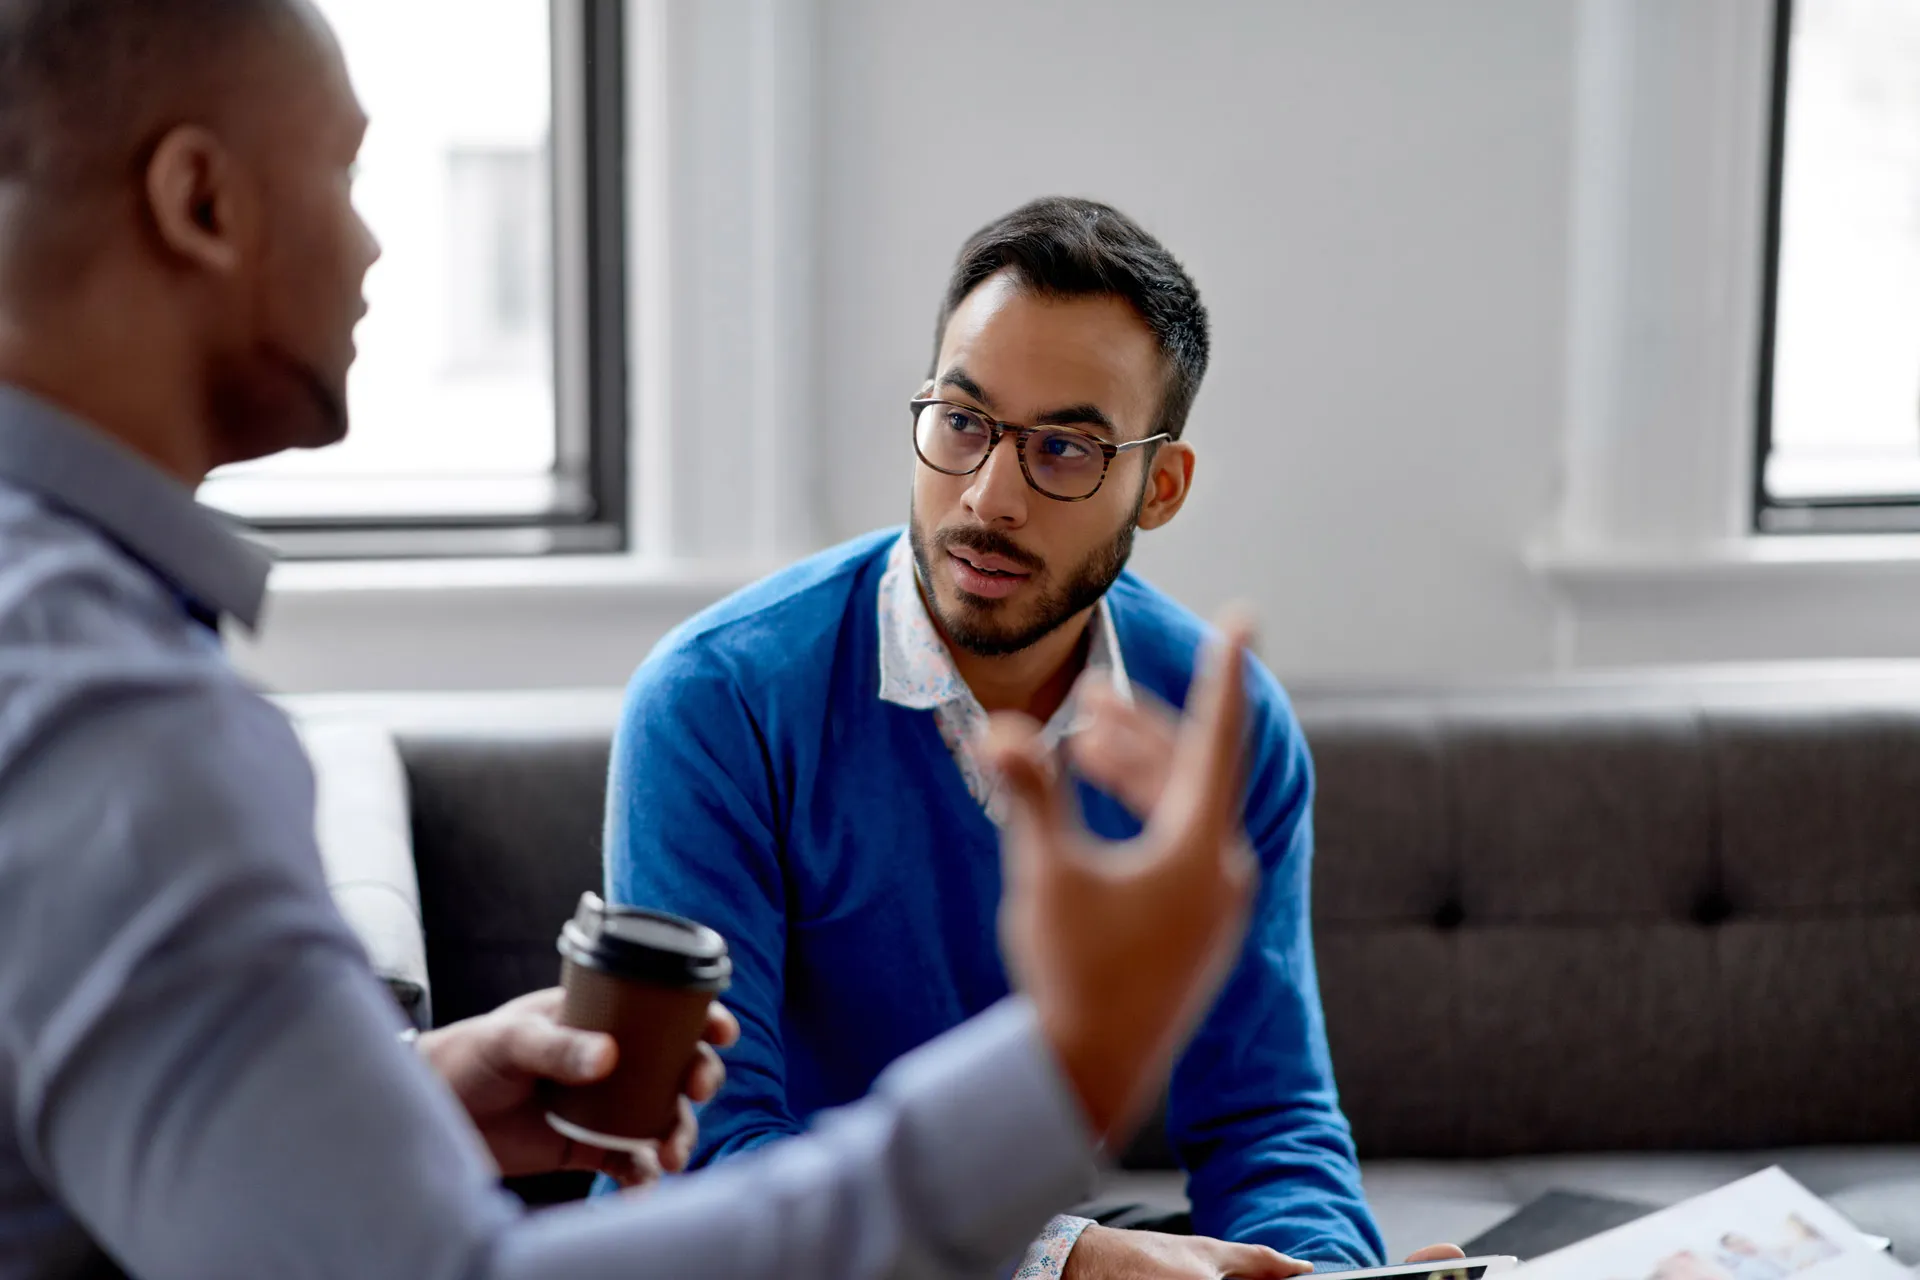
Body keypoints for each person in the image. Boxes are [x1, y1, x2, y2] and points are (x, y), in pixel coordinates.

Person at [0, 2, 1273, 1276]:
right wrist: (1070, 1058)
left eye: (1061, 447)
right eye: (344, 173)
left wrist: (413, 1089)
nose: (376, 244)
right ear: (200, 201)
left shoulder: (63, 639)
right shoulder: (107, 713)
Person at [603, 197, 1461, 1277]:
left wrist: (1327, 1273)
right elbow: (708, 1158)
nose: (990, 494)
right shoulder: (714, 700)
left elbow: (1270, 1121)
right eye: (961, 421)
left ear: (1162, 486)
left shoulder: (1222, 727)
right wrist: (1066, 1261)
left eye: (1065, 448)